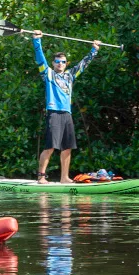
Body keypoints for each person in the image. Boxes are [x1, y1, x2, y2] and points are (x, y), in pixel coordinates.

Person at [32, 30, 101, 184]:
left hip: (67, 114)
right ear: (53, 63)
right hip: (54, 113)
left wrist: (94, 50)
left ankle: (64, 177)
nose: (60, 64)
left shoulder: (70, 75)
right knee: (50, 147)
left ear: (66, 63)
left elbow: (83, 65)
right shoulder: (48, 74)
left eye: (63, 62)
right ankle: (41, 177)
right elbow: (40, 59)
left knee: (67, 147)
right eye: (57, 61)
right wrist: (37, 41)